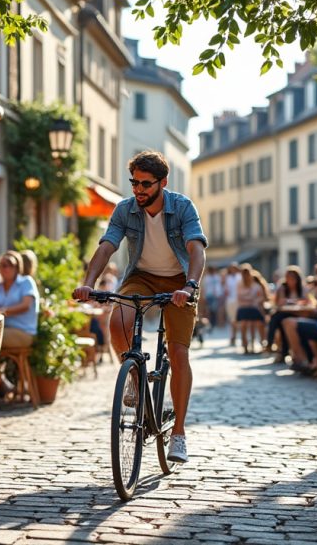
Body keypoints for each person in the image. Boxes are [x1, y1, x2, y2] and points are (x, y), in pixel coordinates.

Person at [74, 150, 207, 464]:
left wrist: (189, 285)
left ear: (163, 182)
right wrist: (88, 281)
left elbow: (196, 248)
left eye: (146, 184)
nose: (139, 190)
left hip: (179, 281)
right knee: (117, 322)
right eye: (134, 183)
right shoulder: (125, 209)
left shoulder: (183, 207)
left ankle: (179, 434)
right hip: (141, 277)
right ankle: (134, 377)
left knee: (178, 352)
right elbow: (107, 245)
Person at [0, 251, 39, 347]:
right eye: (0, 265)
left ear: (17, 267)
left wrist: (1, 312)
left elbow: (25, 306)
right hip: (3, 328)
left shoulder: (26, 282)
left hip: (23, 332)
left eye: (7, 265)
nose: (3, 268)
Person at [266, 266, 304, 361]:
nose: (289, 280)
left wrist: (290, 301)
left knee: (279, 321)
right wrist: (293, 301)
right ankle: (279, 350)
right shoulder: (282, 287)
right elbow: (280, 303)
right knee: (279, 321)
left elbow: (305, 301)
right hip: (283, 313)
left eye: (291, 278)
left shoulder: (301, 288)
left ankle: (273, 345)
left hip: (296, 314)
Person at [234, 264, 267, 353]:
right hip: (244, 308)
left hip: (253, 308)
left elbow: (260, 297)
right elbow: (239, 297)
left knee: (253, 325)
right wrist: (250, 299)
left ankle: (252, 344)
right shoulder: (239, 284)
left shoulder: (255, 284)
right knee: (244, 325)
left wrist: (250, 299)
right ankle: (245, 345)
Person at [223, 263, 241, 345]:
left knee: (237, 319)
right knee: (232, 319)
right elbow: (226, 289)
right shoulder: (228, 277)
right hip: (230, 300)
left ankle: (235, 335)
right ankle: (232, 335)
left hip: (239, 300)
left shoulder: (240, 276)